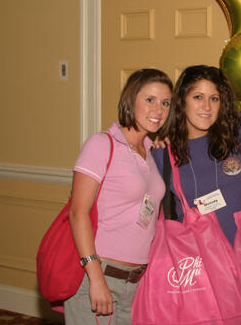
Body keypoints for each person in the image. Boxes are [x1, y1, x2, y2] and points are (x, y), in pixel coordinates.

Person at [65, 69, 173, 325]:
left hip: (137, 283)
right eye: (150, 100)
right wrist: (96, 279)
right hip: (100, 275)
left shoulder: (150, 152)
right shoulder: (102, 144)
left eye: (165, 103)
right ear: (130, 99)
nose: (158, 109)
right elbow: (77, 213)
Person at [152, 65, 241, 245]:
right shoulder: (163, 151)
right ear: (182, 100)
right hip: (195, 261)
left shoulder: (234, 129)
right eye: (198, 97)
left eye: (214, 99)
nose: (206, 106)